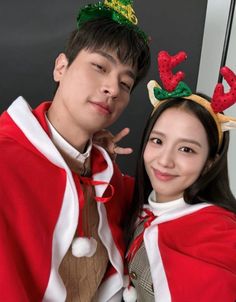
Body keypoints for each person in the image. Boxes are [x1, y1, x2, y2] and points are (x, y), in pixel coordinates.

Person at [0, 1, 150, 301]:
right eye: (99, 66)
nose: (113, 88)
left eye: (125, 83)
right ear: (61, 67)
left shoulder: (108, 180)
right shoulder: (5, 160)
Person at [123, 50, 236, 302]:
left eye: (186, 149)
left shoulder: (222, 235)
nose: (164, 160)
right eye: (158, 140)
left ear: (210, 163)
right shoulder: (135, 204)